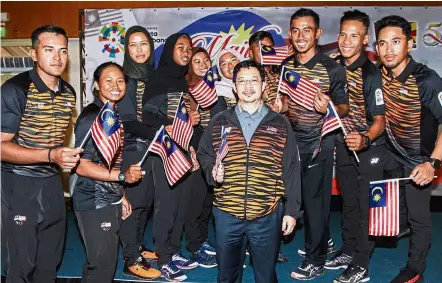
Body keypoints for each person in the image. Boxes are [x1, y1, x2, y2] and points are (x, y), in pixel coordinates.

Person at [198, 60, 302, 283]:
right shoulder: (219, 122)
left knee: (265, 276)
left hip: (267, 214)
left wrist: (292, 210)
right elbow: (204, 154)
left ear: (264, 85)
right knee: (226, 276)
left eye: (253, 80)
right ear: (234, 87)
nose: (247, 86)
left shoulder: (281, 123)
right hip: (227, 213)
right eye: (241, 81)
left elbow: (291, 169)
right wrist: (211, 172)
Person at [1, 25, 81, 283]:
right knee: (21, 263)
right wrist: (50, 155)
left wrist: (58, 157)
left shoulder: (68, 92)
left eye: (62, 51)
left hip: (52, 183)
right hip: (18, 183)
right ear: (33, 54)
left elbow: (55, 143)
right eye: (49, 50)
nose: (57, 58)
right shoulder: (14, 90)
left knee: (50, 258)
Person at [283, 9, 349, 281]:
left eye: (307, 30)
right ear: (290, 34)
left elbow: (344, 106)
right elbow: (285, 103)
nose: (301, 36)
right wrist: (281, 105)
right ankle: (318, 245)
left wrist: (331, 107)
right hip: (291, 144)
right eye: (296, 30)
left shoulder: (332, 67)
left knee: (315, 205)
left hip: (319, 144)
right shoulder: (286, 65)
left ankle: (316, 260)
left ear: (318, 33)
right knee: (292, 200)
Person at [376, 15, 442, 283]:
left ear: (410, 44)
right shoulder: (378, 73)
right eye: (382, 43)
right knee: (384, 207)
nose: (388, 49)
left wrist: (433, 163)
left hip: (418, 161)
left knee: (418, 217)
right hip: (390, 153)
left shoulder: (427, 80)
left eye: (395, 42)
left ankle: (415, 270)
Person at [326, 10, 386, 283]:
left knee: (366, 207)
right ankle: (349, 249)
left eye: (355, 36)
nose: (347, 41)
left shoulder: (370, 73)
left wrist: (365, 139)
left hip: (370, 148)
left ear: (365, 41)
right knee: (349, 202)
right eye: (343, 34)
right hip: (344, 145)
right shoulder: (334, 66)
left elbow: (380, 121)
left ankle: (361, 264)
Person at [72, 61, 143, 282]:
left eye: (120, 81)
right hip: (92, 199)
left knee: (101, 263)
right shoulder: (91, 117)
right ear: (96, 84)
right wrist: (122, 178)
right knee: (102, 266)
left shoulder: (111, 114)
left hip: (108, 195)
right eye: (108, 80)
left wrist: (119, 194)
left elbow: (108, 161)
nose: (116, 85)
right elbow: (81, 165)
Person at [142, 32, 200, 281]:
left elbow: (181, 117)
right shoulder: (159, 77)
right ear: (169, 51)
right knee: (167, 206)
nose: (186, 51)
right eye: (180, 47)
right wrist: (169, 124)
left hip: (184, 148)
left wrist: (191, 122)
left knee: (181, 205)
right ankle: (163, 257)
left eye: (189, 47)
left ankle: (174, 251)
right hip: (165, 151)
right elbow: (147, 116)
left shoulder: (181, 81)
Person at [117, 25, 162, 279]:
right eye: (133, 45)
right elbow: (127, 121)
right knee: (133, 205)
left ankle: (138, 245)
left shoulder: (154, 77)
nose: (139, 49)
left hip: (153, 149)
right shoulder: (124, 77)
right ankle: (130, 258)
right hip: (132, 148)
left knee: (146, 202)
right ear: (126, 49)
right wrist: (160, 133)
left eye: (143, 43)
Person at [248, 30, 288, 113]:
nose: (266, 53)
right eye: (261, 50)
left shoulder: (284, 71)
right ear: (251, 53)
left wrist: (282, 105)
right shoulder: (246, 74)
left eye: (269, 49)